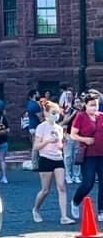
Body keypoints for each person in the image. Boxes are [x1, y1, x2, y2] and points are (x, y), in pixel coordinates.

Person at [32, 102, 74, 224]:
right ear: (46, 113)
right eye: (53, 113)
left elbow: (60, 146)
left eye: (57, 113)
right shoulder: (41, 127)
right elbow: (36, 146)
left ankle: (64, 216)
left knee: (61, 187)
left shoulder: (59, 128)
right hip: (45, 159)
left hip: (58, 158)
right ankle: (36, 209)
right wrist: (48, 141)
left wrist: (62, 144)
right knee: (45, 190)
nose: (55, 116)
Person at [70, 92, 103, 222]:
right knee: (88, 183)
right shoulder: (81, 116)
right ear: (85, 105)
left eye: (96, 105)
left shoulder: (101, 116)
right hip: (88, 155)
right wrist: (85, 139)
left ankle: (101, 210)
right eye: (91, 105)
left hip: (102, 154)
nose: (94, 108)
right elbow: (73, 135)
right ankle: (76, 201)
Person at [62, 96, 83, 185]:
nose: (78, 104)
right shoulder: (70, 110)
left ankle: (76, 175)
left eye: (79, 102)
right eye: (76, 102)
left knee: (77, 156)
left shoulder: (83, 111)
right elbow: (64, 122)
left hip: (79, 136)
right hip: (69, 135)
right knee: (68, 156)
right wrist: (73, 114)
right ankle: (67, 175)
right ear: (74, 103)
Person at [26, 90, 44, 169]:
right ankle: (35, 164)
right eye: (37, 93)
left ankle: (36, 163)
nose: (39, 94)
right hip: (36, 127)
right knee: (36, 146)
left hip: (32, 126)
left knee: (35, 145)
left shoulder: (29, 104)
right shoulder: (35, 105)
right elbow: (40, 117)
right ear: (34, 95)